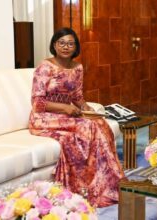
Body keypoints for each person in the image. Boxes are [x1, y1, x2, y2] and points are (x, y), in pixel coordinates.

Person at [28, 27, 125, 207]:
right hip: (44, 117)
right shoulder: (45, 67)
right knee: (86, 127)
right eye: (62, 43)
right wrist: (65, 108)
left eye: (70, 43)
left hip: (66, 115)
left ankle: (106, 181)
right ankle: (84, 185)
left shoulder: (77, 67)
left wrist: (88, 110)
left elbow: (77, 97)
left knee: (100, 124)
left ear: (76, 47)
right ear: (54, 45)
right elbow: (37, 103)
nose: (66, 47)